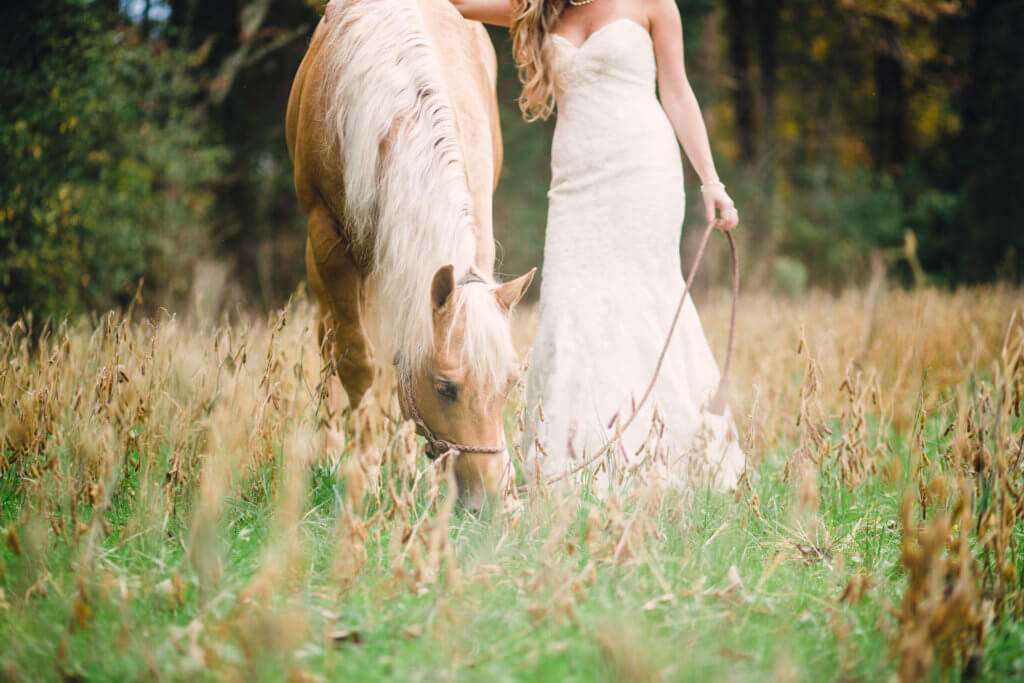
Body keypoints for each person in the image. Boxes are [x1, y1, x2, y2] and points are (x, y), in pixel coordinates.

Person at [328, 0, 745, 490]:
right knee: (570, 307)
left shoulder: (655, 4)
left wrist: (710, 181)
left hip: (644, 169)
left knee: (644, 298)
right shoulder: (536, 11)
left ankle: (669, 455)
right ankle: (569, 465)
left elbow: (677, 92)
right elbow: (449, 6)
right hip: (575, 182)